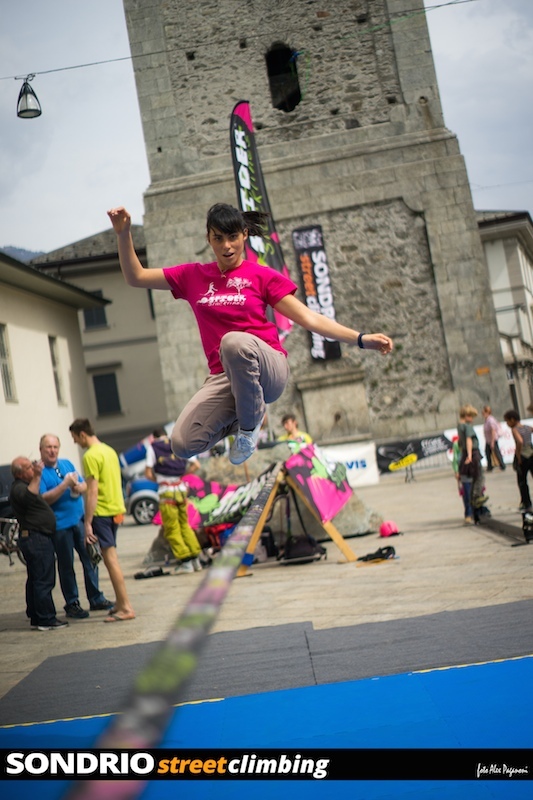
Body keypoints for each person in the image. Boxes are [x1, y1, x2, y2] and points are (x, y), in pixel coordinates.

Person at [107, 204, 393, 466]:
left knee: (233, 342)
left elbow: (309, 318)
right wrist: (124, 234)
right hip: (225, 377)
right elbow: (136, 277)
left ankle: (249, 427)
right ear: (209, 239)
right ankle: (250, 417)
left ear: (244, 234)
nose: (227, 246)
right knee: (182, 444)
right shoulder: (192, 276)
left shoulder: (261, 276)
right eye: (218, 238)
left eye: (232, 237)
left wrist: (361, 339)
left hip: (268, 368)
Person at [39, 433, 113, 618]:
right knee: (66, 566)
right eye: (48, 447)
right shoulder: (40, 472)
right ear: (41, 450)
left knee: (91, 559)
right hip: (60, 527)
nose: (52, 451)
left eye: (55, 447)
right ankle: (72, 603)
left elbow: (84, 485)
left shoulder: (67, 464)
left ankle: (96, 598)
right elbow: (44, 499)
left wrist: (79, 487)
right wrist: (64, 485)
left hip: (79, 521)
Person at [69, 419, 135, 623]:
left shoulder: (90, 455)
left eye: (74, 438)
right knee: (110, 558)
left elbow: (94, 491)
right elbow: (102, 483)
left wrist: (88, 521)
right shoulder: (109, 451)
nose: (75, 443)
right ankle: (119, 602)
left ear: (82, 435)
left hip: (102, 512)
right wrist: (83, 488)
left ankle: (125, 607)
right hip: (116, 509)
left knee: (110, 560)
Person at [9, 457, 68, 631]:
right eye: (29, 467)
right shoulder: (19, 488)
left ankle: (36, 616)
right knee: (43, 579)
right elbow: (29, 497)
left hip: (37, 537)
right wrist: (38, 475)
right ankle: (46, 619)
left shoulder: (24, 486)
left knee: (36, 578)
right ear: (20, 473)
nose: (34, 469)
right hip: (36, 539)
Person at [144, 428, 203, 574]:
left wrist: (159, 480)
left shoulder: (153, 448)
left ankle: (185, 561)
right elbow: (196, 465)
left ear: (154, 436)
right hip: (181, 489)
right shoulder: (177, 443)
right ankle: (196, 560)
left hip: (167, 492)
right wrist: (182, 474)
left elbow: (147, 472)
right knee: (185, 525)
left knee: (172, 529)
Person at [457, 404, 488, 524]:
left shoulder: (459, 426)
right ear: (467, 416)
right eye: (472, 416)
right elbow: (469, 440)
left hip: (465, 454)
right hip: (472, 454)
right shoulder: (467, 426)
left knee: (469, 480)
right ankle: (476, 499)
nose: (473, 419)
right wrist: (470, 455)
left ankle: (472, 509)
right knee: (478, 478)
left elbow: (461, 443)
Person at [503, 409, 533, 512]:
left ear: (512, 419)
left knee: (522, 481)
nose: (507, 424)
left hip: (523, 456)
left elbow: (519, 441)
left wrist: (519, 456)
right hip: (531, 454)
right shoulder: (527, 427)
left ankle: (526, 503)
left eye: (507, 421)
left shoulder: (515, 429)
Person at [482, 405, 505, 472]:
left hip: (492, 439)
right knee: (488, 452)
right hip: (488, 440)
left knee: (496, 452)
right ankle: (490, 466)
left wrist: (492, 441)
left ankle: (502, 465)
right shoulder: (487, 420)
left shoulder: (490, 420)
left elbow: (493, 430)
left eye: (484, 412)